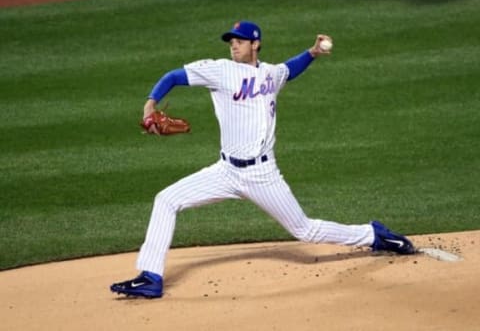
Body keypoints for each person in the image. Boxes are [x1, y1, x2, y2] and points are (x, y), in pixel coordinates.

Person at [111, 21, 415, 299]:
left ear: (255, 44)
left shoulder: (270, 73)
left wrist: (311, 53)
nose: (233, 45)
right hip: (226, 171)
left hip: (263, 175)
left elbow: (289, 69)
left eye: (240, 41)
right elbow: (174, 76)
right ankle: (150, 276)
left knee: (304, 230)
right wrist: (151, 102)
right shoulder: (220, 70)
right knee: (166, 199)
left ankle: (373, 234)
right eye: (231, 41)